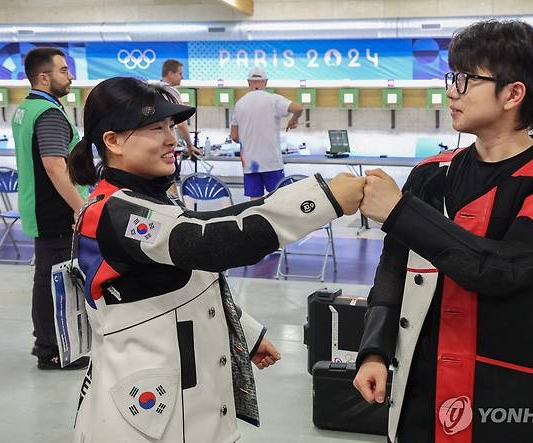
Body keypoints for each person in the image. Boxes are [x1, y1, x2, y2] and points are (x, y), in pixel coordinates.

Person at [67, 77, 364, 443]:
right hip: (149, 419)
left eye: (170, 127)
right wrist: (323, 199)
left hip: (186, 407)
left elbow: (190, 279)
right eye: (153, 128)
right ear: (112, 141)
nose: (170, 139)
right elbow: (208, 242)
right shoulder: (115, 211)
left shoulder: (149, 201)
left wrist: (245, 333)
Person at [353, 20, 533, 443]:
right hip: (423, 387)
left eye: (466, 78)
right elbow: (393, 268)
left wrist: (398, 210)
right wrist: (374, 351)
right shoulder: (431, 174)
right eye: (452, 76)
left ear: (513, 93)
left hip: (514, 394)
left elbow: (504, 267)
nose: (452, 89)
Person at [12, 47, 89, 370]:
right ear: (43, 77)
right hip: (55, 211)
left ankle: (44, 339)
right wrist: (81, 208)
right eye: (63, 70)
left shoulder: (25, 109)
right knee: (54, 280)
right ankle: (52, 349)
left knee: (45, 277)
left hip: (38, 207)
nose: (69, 76)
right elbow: (55, 167)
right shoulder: (48, 114)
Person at [230, 67, 303, 199]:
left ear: (248, 82)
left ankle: (257, 220)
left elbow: (234, 136)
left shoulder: (239, 104)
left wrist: (249, 138)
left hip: (250, 164)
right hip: (272, 162)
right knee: (278, 201)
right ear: (266, 82)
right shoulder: (274, 99)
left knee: (255, 203)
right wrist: (294, 119)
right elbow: (298, 108)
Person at [159, 59, 202, 158]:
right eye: (180, 73)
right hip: (167, 143)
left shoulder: (155, 88)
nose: (182, 77)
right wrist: (190, 146)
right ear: (170, 74)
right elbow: (181, 123)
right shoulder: (170, 91)